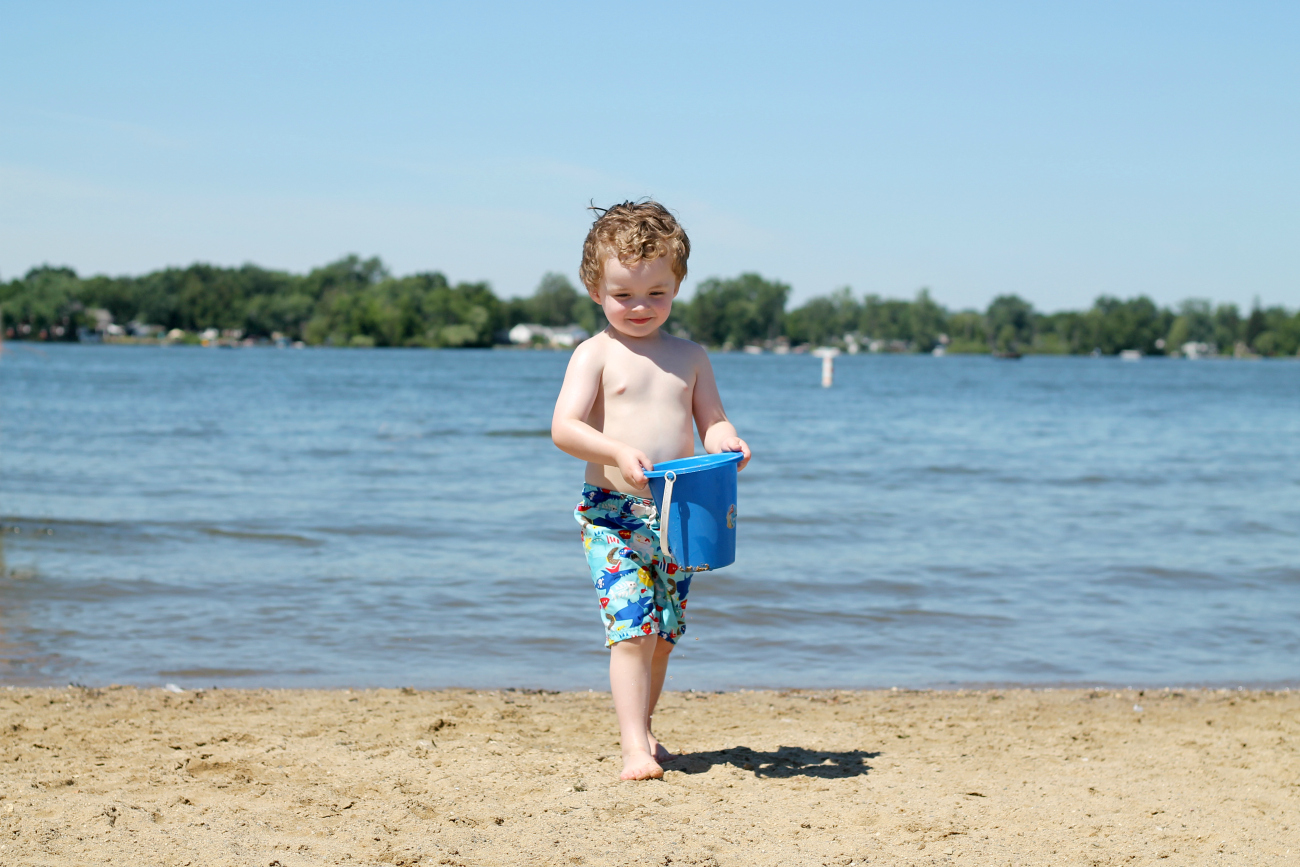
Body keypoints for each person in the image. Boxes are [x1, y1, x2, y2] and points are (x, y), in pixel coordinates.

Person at [551, 200, 751, 780]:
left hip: (680, 510)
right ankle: (633, 747)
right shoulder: (595, 354)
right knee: (631, 630)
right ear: (595, 289)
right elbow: (565, 428)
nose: (640, 308)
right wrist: (614, 451)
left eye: (656, 294)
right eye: (623, 295)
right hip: (613, 513)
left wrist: (727, 440)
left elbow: (711, 420)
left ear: (677, 285)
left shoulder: (690, 358)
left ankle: (643, 728)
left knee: (663, 634)